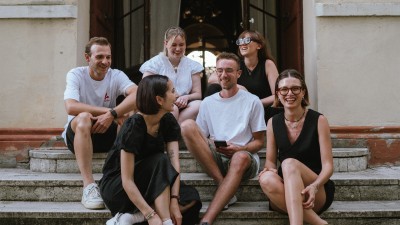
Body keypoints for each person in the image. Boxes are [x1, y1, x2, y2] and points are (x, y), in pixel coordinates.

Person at [99, 75, 201, 225]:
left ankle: (131, 218)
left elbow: (174, 164)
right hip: (119, 186)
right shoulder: (134, 126)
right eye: (173, 91)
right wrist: (151, 215)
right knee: (160, 159)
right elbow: (127, 180)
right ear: (159, 100)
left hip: (152, 181)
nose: (177, 95)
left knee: (191, 197)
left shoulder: (168, 120)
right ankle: (165, 221)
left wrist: (174, 200)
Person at [181, 52, 266, 225]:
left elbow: (259, 142)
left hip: (243, 159)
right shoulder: (207, 103)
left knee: (240, 157)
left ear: (238, 74)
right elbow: (201, 137)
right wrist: (212, 143)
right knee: (187, 125)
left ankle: (206, 221)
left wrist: (240, 148)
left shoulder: (252, 101)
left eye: (229, 70)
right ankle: (223, 186)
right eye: (219, 70)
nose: (224, 75)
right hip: (216, 157)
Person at [61, 37, 137, 210]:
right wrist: (110, 112)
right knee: (84, 117)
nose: (105, 62)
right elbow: (71, 106)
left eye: (108, 57)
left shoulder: (116, 75)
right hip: (78, 134)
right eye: (100, 57)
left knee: (128, 118)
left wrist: (115, 113)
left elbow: (137, 94)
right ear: (88, 58)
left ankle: (121, 178)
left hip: (105, 134)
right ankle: (89, 186)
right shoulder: (76, 74)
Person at [258, 69, 335, 225]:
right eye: (284, 89)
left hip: (315, 191)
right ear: (278, 94)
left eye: (295, 88)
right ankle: (319, 223)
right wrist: (268, 170)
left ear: (303, 92)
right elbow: (271, 163)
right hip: (285, 192)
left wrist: (314, 186)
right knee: (266, 178)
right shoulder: (273, 122)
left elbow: (328, 166)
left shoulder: (319, 120)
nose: (289, 93)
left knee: (289, 163)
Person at [207, 30, 280, 122]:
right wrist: (237, 86)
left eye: (247, 40)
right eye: (240, 42)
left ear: (259, 45)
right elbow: (211, 79)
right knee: (213, 88)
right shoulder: (236, 64)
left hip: (261, 110)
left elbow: (277, 94)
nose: (242, 44)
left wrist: (254, 103)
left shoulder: (267, 64)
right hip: (238, 109)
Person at [140, 26, 204, 124]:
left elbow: (197, 94)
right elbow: (145, 88)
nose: (178, 49)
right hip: (161, 104)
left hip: (184, 105)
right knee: (173, 110)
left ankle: (176, 130)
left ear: (185, 45)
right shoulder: (154, 63)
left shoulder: (193, 65)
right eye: (174, 45)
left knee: (200, 105)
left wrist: (186, 97)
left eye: (181, 44)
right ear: (165, 43)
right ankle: (173, 133)